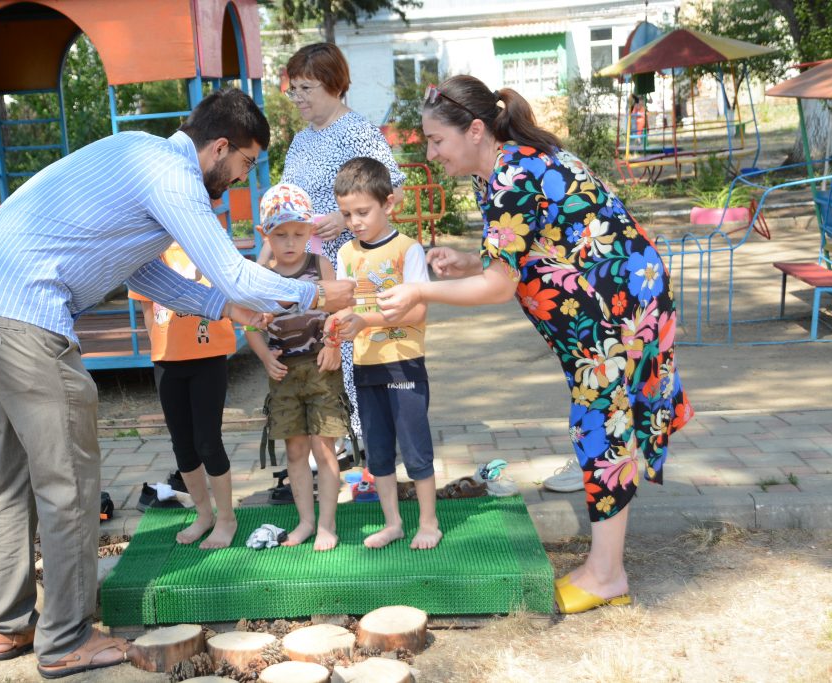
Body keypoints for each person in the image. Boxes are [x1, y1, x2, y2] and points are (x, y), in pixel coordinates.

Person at [0, 88, 354, 678]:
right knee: (69, 482)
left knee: (5, 478)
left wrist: (221, 307)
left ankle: (9, 625)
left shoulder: (135, 153)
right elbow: (234, 271)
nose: (241, 178)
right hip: (23, 317)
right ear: (220, 147)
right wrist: (312, 293)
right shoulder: (174, 177)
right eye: (244, 163)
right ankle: (65, 640)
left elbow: (143, 272)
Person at [376, 76, 694, 610]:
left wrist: (421, 290)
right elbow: (526, 248)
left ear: (475, 130)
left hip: (615, 307)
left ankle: (607, 575)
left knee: (601, 427)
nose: (430, 154)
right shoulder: (499, 169)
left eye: (436, 140)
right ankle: (604, 568)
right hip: (607, 300)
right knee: (602, 422)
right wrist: (470, 262)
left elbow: (500, 287)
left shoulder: (511, 175)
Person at [266, 42, 407, 445]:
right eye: (293, 89)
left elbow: (393, 190)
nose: (297, 97)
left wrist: (342, 218)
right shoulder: (300, 141)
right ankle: (334, 440)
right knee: (315, 349)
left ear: (333, 84)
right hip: (305, 268)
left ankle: (366, 439)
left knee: (349, 343)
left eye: (306, 88)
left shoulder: (358, 131)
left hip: (349, 263)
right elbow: (285, 205)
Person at [332, 157, 441, 551]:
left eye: (363, 212)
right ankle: (392, 523)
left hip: (404, 364)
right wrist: (333, 329)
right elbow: (343, 307)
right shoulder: (346, 254)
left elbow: (417, 310)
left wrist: (366, 321)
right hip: (365, 367)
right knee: (377, 452)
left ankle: (428, 523)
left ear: (388, 203)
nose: (355, 222)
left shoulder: (407, 249)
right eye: (347, 214)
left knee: (415, 447)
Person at [246, 183, 344, 551]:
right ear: (265, 234)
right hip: (284, 374)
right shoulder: (260, 275)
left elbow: (338, 311)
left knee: (324, 448)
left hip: (320, 368)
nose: (290, 242)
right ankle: (306, 522)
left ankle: (327, 525)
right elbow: (250, 327)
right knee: (296, 451)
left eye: (299, 234)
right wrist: (264, 356)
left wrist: (333, 343)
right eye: (280, 234)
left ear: (310, 231)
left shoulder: (320, 265)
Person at [129, 241, 239, 549]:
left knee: (208, 441)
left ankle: (227, 518)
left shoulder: (208, 244)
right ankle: (204, 515)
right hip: (167, 360)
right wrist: (163, 349)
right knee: (183, 444)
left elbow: (234, 288)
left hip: (208, 358)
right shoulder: (148, 252)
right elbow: (148, 311)